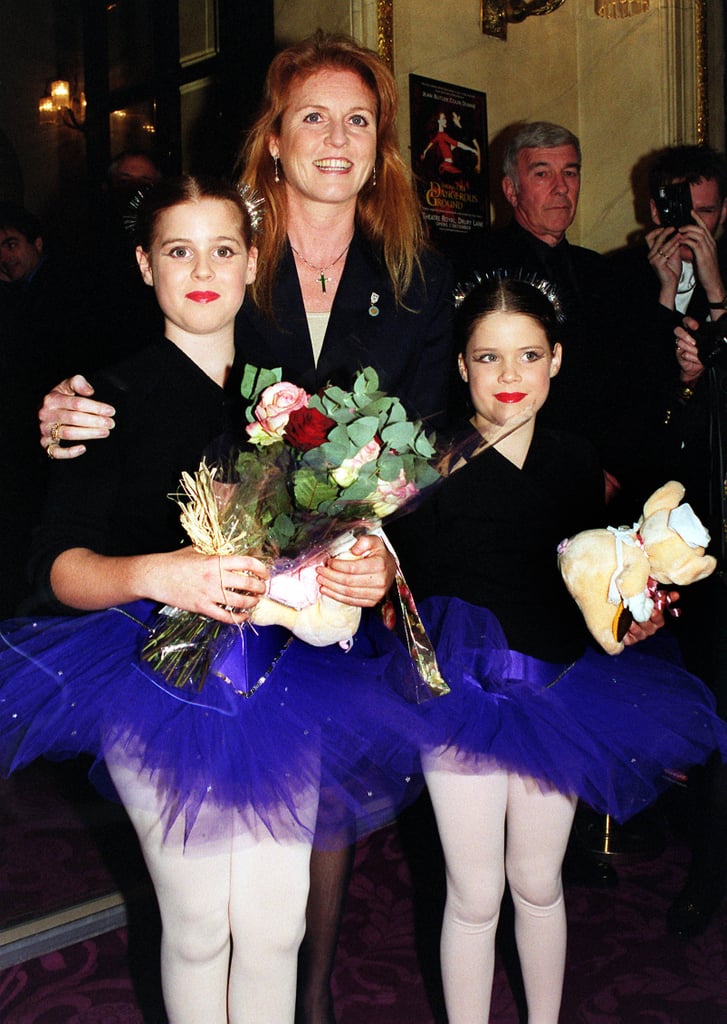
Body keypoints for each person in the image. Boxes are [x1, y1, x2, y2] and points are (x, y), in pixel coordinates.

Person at [33, 31, 454, 1024]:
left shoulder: (418, 276)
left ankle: (308, 1000)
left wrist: (369, 553)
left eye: (358, 118)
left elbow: (417, 447)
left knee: (277, 902)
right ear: (272, 137)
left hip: (306, 615)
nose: (336, 137)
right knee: (201, 915)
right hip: (171, 632)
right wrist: (68, 413)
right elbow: (147, 396)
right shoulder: (224, 259)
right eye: (312, 113)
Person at [387, 273, 727, 1023]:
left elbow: (584, 581)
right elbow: (395, 580)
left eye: (528, 355)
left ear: (557, 360)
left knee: (538, 880)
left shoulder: (576, 460)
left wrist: (627, 614)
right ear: (460, 364)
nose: (509, 376)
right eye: (488, 358)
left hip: (557, 694)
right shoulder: (424, 464)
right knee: (473, 891)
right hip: (458, 699)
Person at [457, 121, 634, 507]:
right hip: (508, 473)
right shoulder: (472, 262)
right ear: (510, 189)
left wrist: (605, 465)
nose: (561, 187)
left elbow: (622, 379)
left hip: (602, 476)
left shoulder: (602, 272)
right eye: (542, 173)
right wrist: (566, 463)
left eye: (570, 172)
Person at [607, 144, 727, 507]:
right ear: (656, 210)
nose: (691, 225)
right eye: (680, 210)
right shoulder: (617, 274)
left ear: (723, 211)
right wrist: (665, 294)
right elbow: (627, 380)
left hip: (713, 467)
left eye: (704, 212)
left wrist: (715, 286)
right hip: (643, 469)